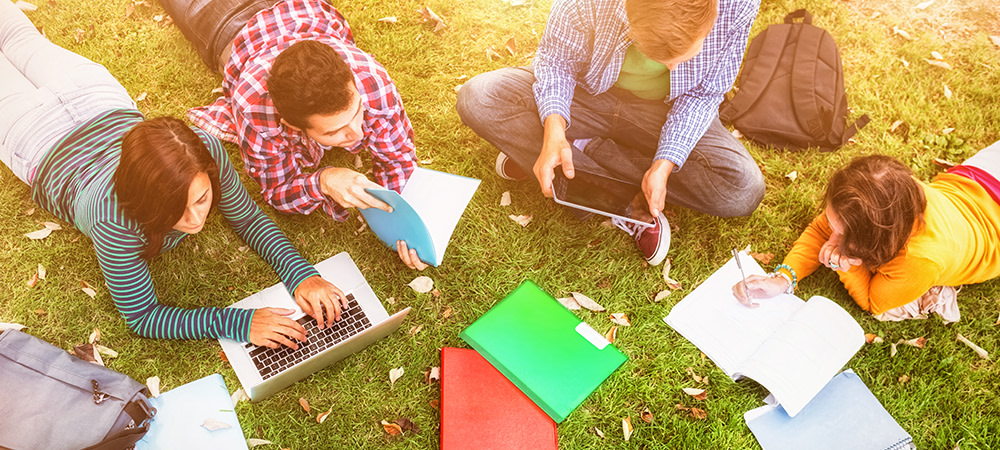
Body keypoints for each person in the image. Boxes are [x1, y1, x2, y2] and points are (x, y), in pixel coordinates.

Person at [0, 1, 352, 349]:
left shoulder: (202, 148)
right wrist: (239, 322)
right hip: (33, 134)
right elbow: (143, 316)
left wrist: (302, 274)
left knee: (19, 37)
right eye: (174, 209)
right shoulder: (111, 217)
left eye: (201, 198)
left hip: (94, 97)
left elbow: (247, 219)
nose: (196, 218)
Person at [456, 0, 765, 266]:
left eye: (685, 55)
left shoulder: (738, 4)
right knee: (480, 96)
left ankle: (575, 156)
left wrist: (665, 163)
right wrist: (553, 126)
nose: (673, 68)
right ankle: (616, 196)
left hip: (665, 110)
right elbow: (557, 61)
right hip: (586, 92)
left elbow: (704, 94)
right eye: (660, 56)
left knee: (740, 189)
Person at [160, 0, 426, 269]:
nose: (357, 133)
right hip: (224, 22)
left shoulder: (370, 78)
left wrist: (406, 225)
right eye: (335, 131)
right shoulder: (254, 109)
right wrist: (324, 180)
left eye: (357, 111)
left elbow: (399, 160)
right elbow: (277, 189)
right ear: (294, 126)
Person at [733, 148, 1000, 322]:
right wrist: (783, 278)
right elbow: (819, 229)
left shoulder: (919, 262)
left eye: (842, 233)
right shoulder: (892, 190)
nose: (829, 231)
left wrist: (843, 264)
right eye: (830, 218)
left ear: (872, 240)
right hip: (978, 175)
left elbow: (874, 302)